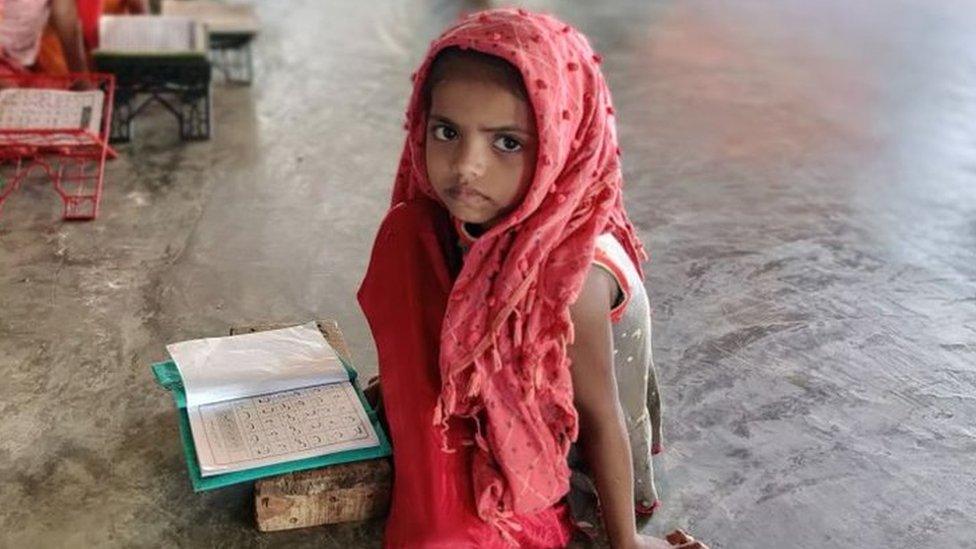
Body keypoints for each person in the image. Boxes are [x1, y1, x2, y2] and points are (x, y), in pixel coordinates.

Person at [358, 8, 707, 548]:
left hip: (563, 441)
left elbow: (599, 417)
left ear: (560, 144)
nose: (466, 166)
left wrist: (627, 543)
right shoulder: (445, 216)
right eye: (446, 132)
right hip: (512, 390)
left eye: (507, 143)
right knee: (408, 232)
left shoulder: (572, 278)